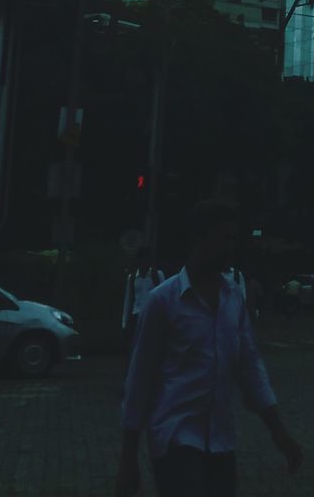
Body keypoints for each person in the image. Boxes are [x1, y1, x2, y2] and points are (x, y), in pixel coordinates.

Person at [115, 199, 303, 497]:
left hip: (220, 439)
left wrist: (278, 431)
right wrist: (128, 455)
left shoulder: (232, 300)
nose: (229, 248)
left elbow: (250, 366)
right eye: (223, 239)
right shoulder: (163, 301)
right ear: (198, 239)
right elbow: (140, 379)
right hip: (175, 437)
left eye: (233, 240)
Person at [122, 249, 165, 344]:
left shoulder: (157, 275)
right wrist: (125, 322)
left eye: (146, 260)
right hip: (137, 315)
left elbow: (164, 296)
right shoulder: (132, 278)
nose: (144, 263)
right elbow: (128, 300)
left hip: (152, 314)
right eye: (142, 260)